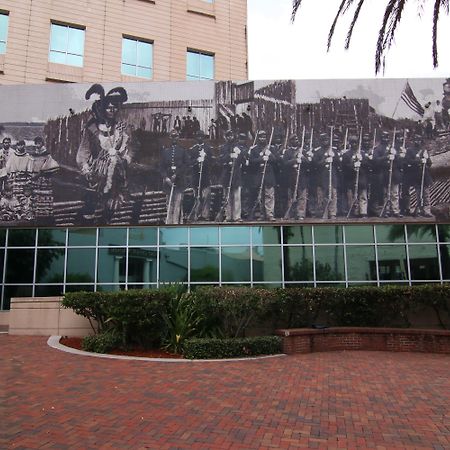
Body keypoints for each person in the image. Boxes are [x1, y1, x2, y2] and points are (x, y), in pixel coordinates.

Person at [76, 84, 132, 221]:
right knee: (93, 205)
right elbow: (83, 152)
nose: (112, 109)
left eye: (114, 107)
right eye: (109, 107)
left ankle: (108, 219)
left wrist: (125, 158)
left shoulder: (120, 127)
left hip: (117, 172)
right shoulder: (92, 128)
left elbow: (129, 148)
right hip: (97, 173)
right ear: (102, 108)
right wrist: (86, 168)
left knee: (112, 206)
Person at [248, 130, 277, 221]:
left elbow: (277, 160)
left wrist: (270, 156)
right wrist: (261, 159)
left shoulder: (271, 148)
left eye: (264, 137)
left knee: (269, 195)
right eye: (260, 137)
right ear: (258, 138)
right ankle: (262, 214)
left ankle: (270, 214)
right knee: (260, 197)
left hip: (269, 175)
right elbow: (251, 162)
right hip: (258, 175)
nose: (262, 139)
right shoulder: (254, 149)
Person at [160, 129, 188, 224]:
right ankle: (169, 222)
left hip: (179, 182)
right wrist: (166, 178)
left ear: (178, 137)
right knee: (169, 203)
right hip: (168, 182)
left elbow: (186, 165)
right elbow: (162, 167)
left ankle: (177, 223)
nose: (174, 138)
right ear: (170, 137)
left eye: (176, 136)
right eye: (172, 136)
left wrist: (177, 174)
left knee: (178, 203)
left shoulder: (183, 151)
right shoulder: (165, 151)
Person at [30, 136, 60, 221]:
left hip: (44, 177)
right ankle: (37, 213)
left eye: (39, 143)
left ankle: (46, 213)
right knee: (36, 195)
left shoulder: (47, 154)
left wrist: (40, 173)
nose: (37, 145)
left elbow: (49, 166)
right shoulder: (34, 154)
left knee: (45, 195)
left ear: (42, 143)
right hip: (35, 178)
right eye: (36, 143)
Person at [218, 130, 244, 222]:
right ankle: (228, 216)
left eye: (231, 135)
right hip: (226, 175)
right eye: (228, 136)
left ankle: (237, 216)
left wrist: (238, 155)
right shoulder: (223, 147)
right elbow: (220, 160)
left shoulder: (239, 147)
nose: (230, 137)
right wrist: (229, 157)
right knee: (227, 197)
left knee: (237, 197)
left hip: (236, 175)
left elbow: (243, 160)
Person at [187, 131, 213, 221]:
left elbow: (212, 162)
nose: (200, 138)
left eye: (201, 136)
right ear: (196, 138)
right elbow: (189, 162)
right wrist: (197, 161)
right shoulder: (192, 149)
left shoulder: (208, 148)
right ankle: (196, 214)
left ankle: (205, 215)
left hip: (205, 176)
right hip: (195, 177)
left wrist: (205, 159)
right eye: (198, 136)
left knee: (206, 196)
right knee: (197, 197)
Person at [5, 139, 33, 219]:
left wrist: (28, 176)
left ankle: (24, 213)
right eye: (19, 145)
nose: (21, 146)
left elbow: (30, 169)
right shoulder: (13, 156)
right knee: (15, 195)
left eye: (22, 145)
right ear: (17, 146)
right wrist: (11, 174)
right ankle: (14, 214)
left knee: (23, 196)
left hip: (24, 178)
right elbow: (8, 167)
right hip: (15, 178)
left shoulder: (28, 156)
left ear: (24, 145)